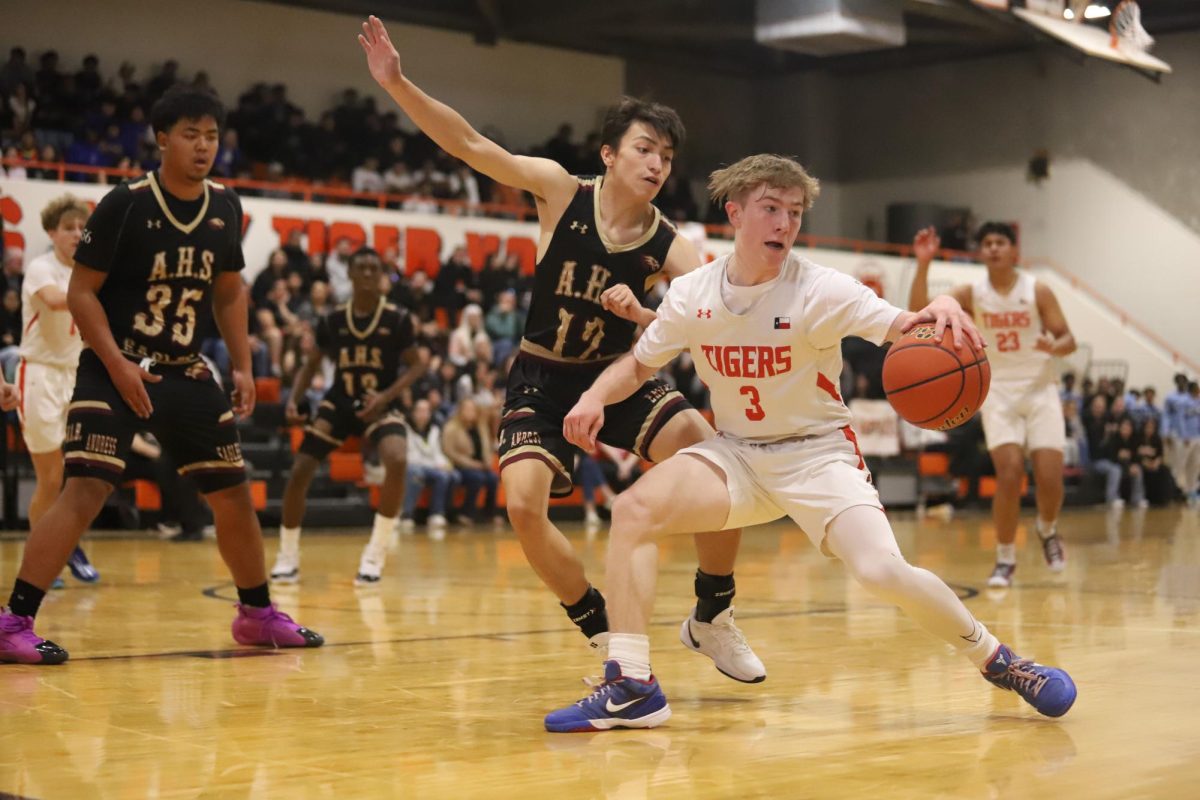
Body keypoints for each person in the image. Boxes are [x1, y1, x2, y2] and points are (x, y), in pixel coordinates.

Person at [545, 154, 1076, 732]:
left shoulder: (822, 289)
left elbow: (909, 324)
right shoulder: (692, 291)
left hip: (817, 455)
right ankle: (632, 683)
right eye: (771, 209)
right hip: (738, 455)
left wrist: (942, 305)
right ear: (735, 213)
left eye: (795, 213)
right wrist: (594, 398)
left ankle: (1002, 663)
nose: (784, 224)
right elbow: (639, 363)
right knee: (633, 509)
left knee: (879, 570)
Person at [359, 16, 764, 682]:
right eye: (643, 148)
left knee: (713, 461)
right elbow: (468, 144)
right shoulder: (559, 190)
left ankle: (712, 614)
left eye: (665, 154)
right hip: (542, 380)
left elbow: (703, 321)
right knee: (521, 505)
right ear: (609, 154)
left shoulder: (673, 246)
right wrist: (398, 84)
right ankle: (604, 631)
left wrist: (648, 312)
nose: (656, 163)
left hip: (620, 378)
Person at [0, 85, 323, 665]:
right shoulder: (125, 204)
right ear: (162, 139)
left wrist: (244, 365)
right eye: (191, 135)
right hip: (114, 367)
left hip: (185, 370)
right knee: (84, 491)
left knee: (234, 496)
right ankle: (14, 620)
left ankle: (256, 615)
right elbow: (81, 294)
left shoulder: (226, 206)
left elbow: (227, 293)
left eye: (212, 136)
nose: (203, 147)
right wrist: (119, 366)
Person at [910, 222, 1075, 589]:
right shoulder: (972, 291)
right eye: (987, 243)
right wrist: (923, 264)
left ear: (1014, 251)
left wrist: (1055, 346)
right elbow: (919, 310)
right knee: (1010, 471)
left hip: (1039, 388)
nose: (994, 248)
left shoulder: (1038, 290)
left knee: (1049, 477)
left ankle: (1047, 530)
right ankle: (1004, 558)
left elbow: (1069, 339)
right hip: (998, 391)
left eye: (1001, 242)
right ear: (981, 252)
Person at [270, 247, 425, 585]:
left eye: (374, 267)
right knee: (300, 470)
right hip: (340, 402)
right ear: (351, 275)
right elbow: (311, 364)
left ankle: (375, 553)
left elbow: (418, 364)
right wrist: (294, 401)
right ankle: (287, 556)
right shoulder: (332, 319)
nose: (369, 273)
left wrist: (386, 396)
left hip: (380, 403)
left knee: (397, 459)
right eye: (362, 268)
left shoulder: (397, 318)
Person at [16, 195, 99, 585]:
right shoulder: (40, 267)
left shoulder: (91, 272)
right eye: (69, 228)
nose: (77, 234)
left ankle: (67, 545)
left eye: (82, 227)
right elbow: (53, 299)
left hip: (76, 376)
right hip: (39, 375)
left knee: (80, 477)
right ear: (52, 233)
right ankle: (42, 555)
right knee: (50, 478)